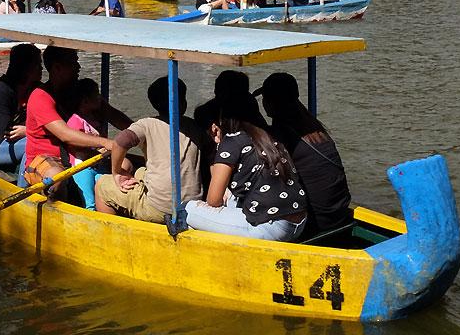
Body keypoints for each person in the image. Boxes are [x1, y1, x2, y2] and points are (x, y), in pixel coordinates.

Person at [184, 93, 307, 242]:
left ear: (217, 126)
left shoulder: (231, 142)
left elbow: (213, 200)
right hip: (299, 224)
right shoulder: (269, 136)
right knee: (231, 200)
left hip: (270, 228)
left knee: (185, 209)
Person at [22, 47, 132, 199]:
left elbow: (113, 115)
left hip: (82, 153)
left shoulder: (79, 92)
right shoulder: (40, 97)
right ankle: (57, 212)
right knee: (57, 178)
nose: (78, 67)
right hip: (48, 158)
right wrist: (106, 143)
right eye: (73, 63)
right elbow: (65, 135)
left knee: (126, 164)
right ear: (57, 68)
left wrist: (139, 132)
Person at [95, 76, 207, 223]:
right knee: (141, 171)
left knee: (102, 185)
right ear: (183, 102)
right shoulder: (194, 126)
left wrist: (116, 172)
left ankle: (112, 233)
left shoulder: (148, 124)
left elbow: (120, 142)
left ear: (155, 104)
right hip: (193, 204)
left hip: (159, 209)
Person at [254, 73, 351, 236]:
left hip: (318, 222)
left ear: (271, 102)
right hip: (339, 213)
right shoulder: (313, 128)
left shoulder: (282, 133)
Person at [0, 43, 42, 170]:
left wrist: (26, 130)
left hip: (26, 136)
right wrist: (29, 131)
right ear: (26, 68)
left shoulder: (37, 89)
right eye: (37, 65)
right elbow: (9, 131)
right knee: (35, 145)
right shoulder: (1, 91)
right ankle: (24, 186)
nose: (41, 69)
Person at [66, 78, 107, 210]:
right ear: (85, 101)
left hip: (97, 164)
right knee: (89, 201)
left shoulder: (95, 119)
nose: (100, 97)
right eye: (96, 94)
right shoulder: (75, 121)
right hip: (81, 168)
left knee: (105, 193)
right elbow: (76, 146)